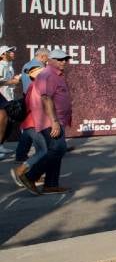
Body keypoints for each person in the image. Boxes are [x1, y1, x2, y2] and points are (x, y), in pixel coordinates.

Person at [13, 48, 72, 195]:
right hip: (48, 120)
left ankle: (51, 185)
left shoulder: (55, 75)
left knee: (56, 150)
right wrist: (54, 121)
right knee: (57, 149)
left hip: (55, 119)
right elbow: (46, 98)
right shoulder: (47, 74)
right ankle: (29, 176)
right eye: (60, 59)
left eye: (65, 59)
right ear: (49, 60)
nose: (64, 61)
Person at [10, 61, 47, 187]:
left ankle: (34, 175)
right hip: (34, 124)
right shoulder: (38, 88)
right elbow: (38, 108)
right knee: (44, 151)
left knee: (40, 151)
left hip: (30, 123)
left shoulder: (31, 86)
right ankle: (20, 171)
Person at [0, 45, 22, 157]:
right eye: (10, 51)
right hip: (2, 98)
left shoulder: (9, 65)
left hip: (8, 97)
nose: (13, 53)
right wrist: (13, 81)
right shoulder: (0, 65)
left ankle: (1, 146)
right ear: (3, 54)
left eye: (13, 51)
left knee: (8, 123)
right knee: (3, 121)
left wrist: (15, 80)